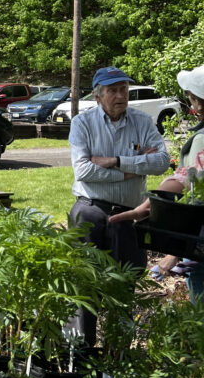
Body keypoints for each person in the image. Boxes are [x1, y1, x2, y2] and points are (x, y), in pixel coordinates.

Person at [68, 66, 170, 341]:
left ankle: (119, 351)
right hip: (90, 211)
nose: (120, 95)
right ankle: (81, 351)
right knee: (84, 286)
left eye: (123, 89)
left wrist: (116, 161)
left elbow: (162, 162)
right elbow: (83, 170)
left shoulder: (142, 121)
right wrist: (133, 170)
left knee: (124, 286)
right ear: (97, 96)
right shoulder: (82, 123)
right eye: (112, 90)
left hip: (129, 215)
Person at [110, 64, 204, 301]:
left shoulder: (202, 141)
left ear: (198, 102)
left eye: (190, 96)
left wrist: (148, 207)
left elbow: (191, 185)